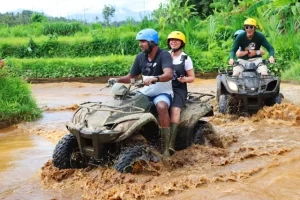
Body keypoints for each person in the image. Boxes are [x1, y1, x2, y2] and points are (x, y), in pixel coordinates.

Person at [108, 28, 174, 156]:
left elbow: (169, 74)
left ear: (152, 42)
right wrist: (116, 80)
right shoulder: (140, 57)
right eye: (139, 42)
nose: (140, 44)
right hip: (145, 92)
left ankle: (166, 147)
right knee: (126, 104)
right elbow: (131, 77)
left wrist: (156, 78)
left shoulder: (164, 55)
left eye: (143, 41)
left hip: (162, 93)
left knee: (161, 106)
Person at [167, 31, 195, 155]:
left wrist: (184, 79)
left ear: (181, 43)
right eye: (171, 40)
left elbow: (192, 77)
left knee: (175, 110)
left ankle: (170, 144)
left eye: (176, 40)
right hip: (163, 87)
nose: (173, 42)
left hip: (178, 89)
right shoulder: (164, 55)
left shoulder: (186, 58)